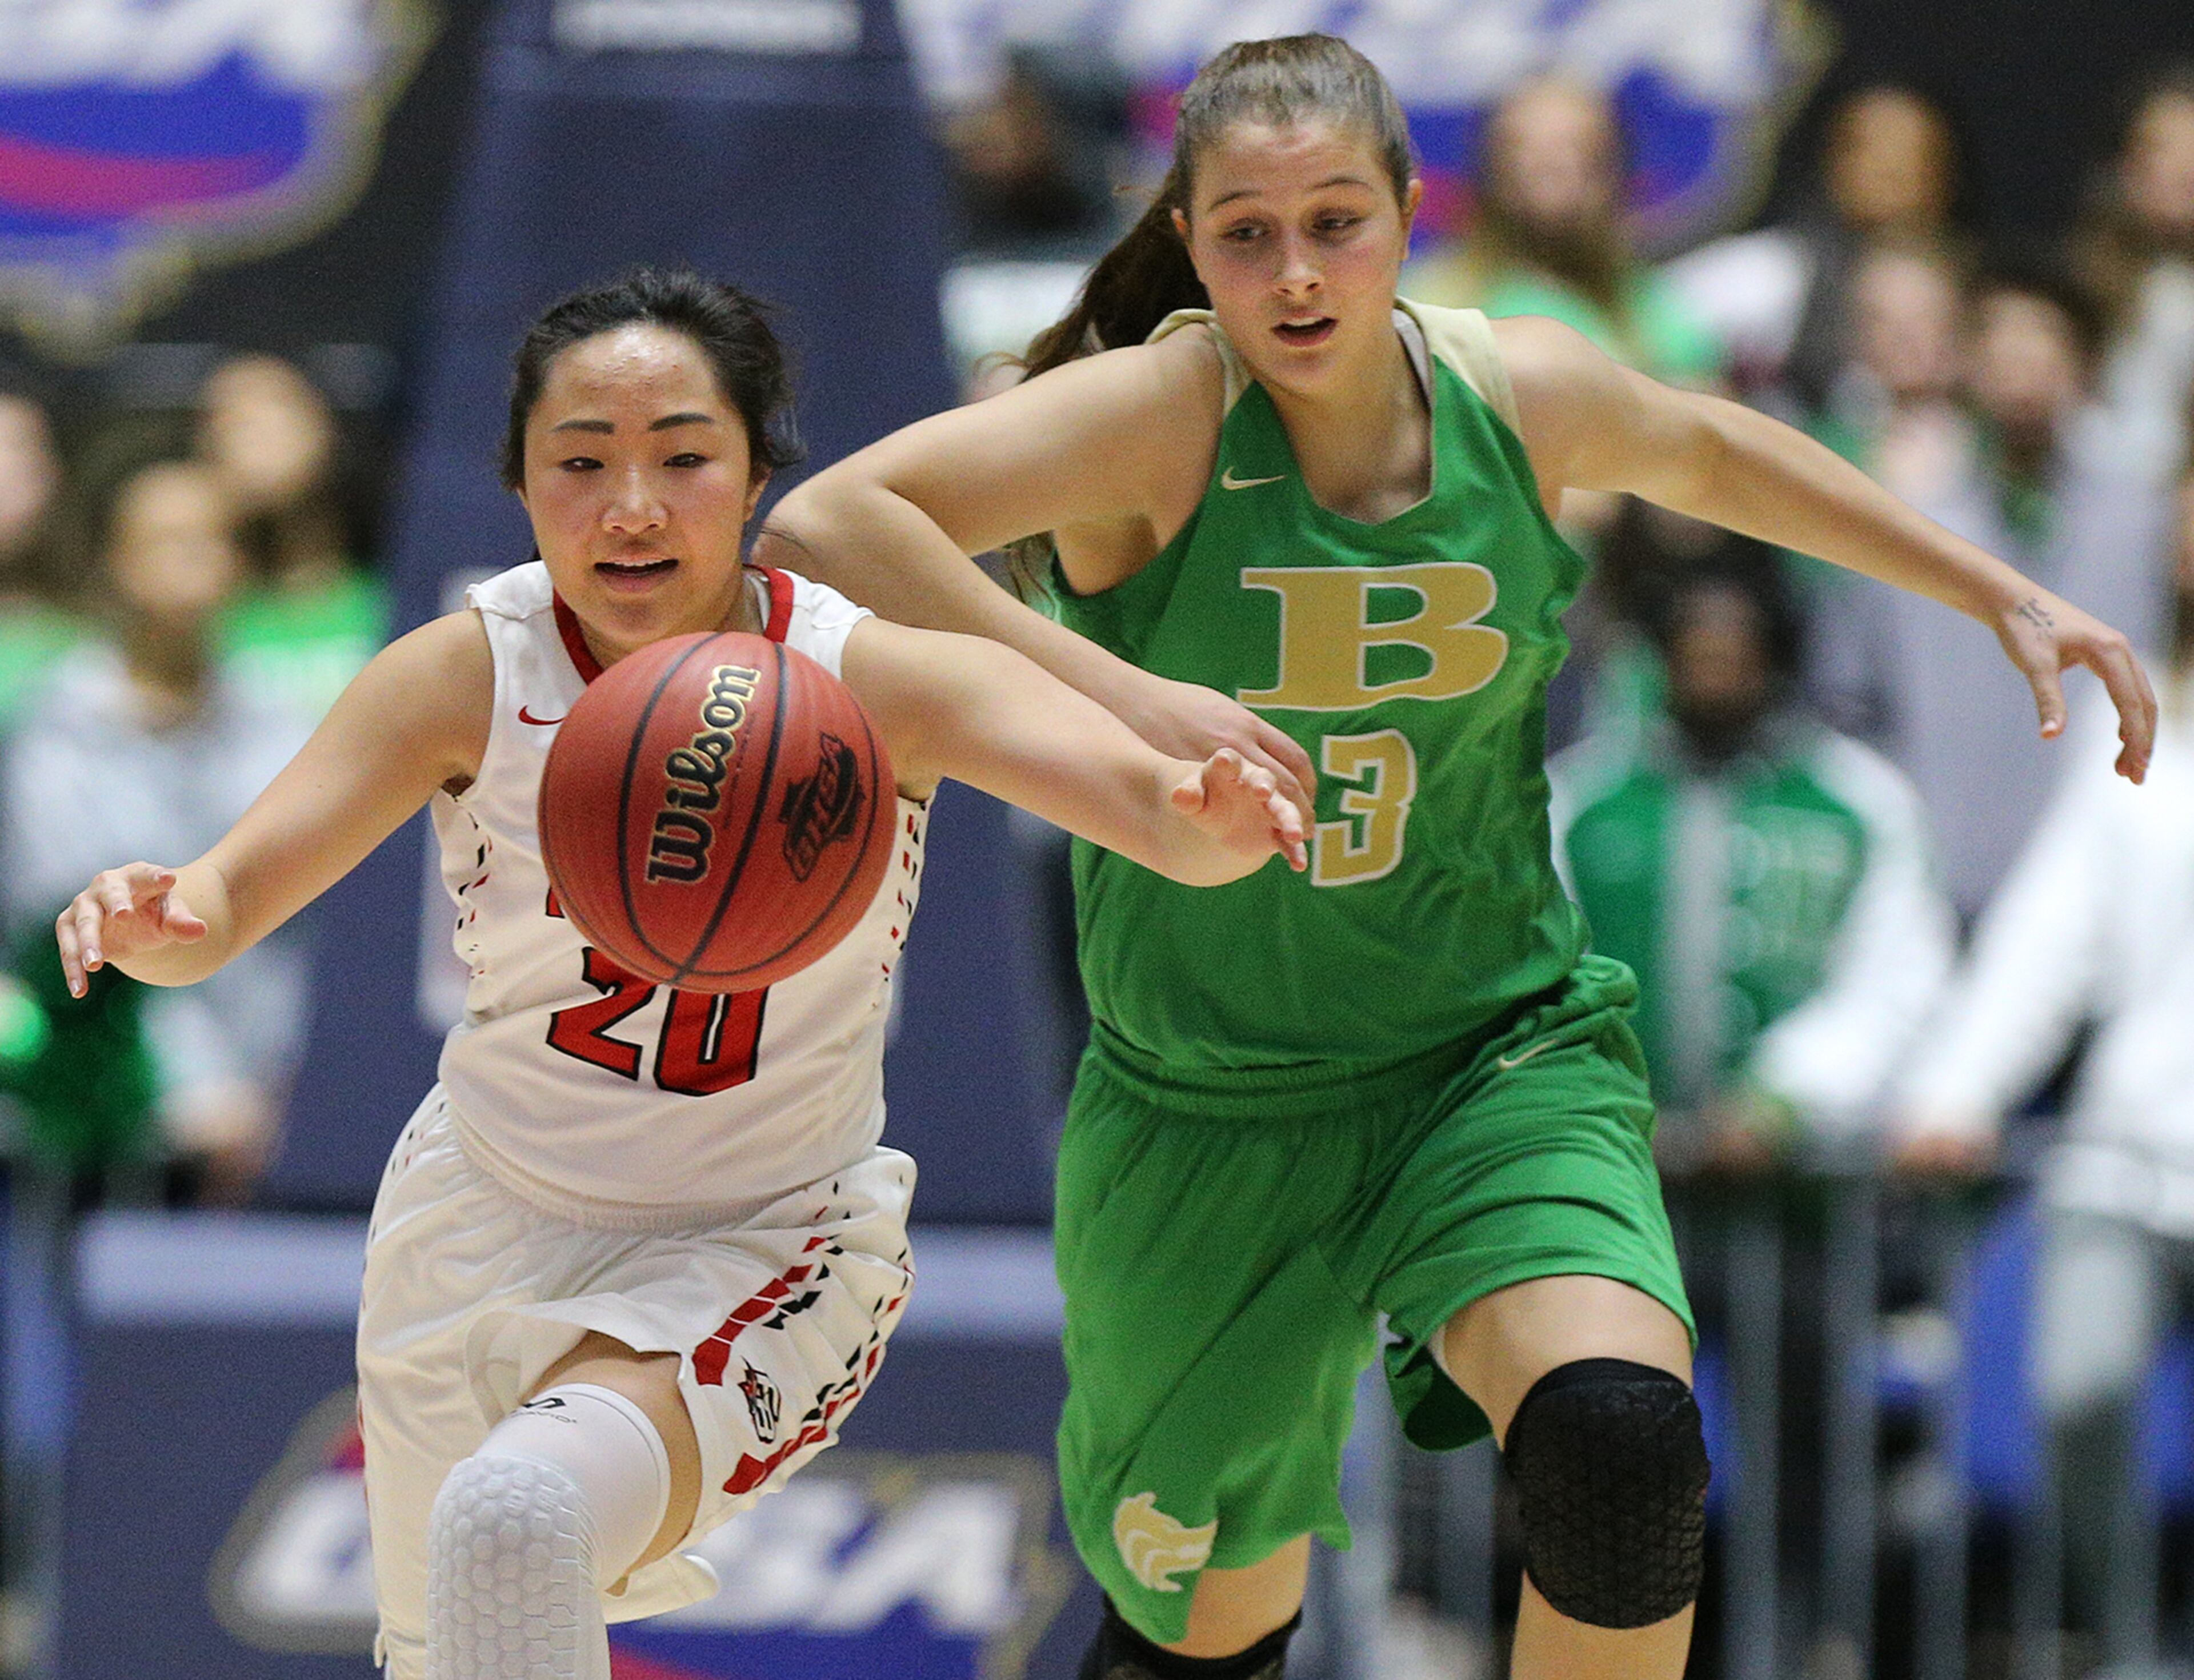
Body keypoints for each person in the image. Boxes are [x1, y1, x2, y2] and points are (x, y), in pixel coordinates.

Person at [756, 35, 2155, 1680]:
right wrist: (1123, 681)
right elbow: (825, 523)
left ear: (1417, 213)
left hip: (1489, 1054)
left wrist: (1992, 582)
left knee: (1626, 1447)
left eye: (1337, 221)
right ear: (1192, 245)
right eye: (1248, 233)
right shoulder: (1160, 411)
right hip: (1214, 1098)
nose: (1296, 272)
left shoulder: (1515, 385)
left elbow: (1714, 453)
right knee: (1206, 1639)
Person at [51, 269, 1307, 1680]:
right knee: (452, 1644)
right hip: (476, 1217)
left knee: (519, 1517)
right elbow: (222, 902)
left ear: (759, 470)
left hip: (763, 1239)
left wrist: (1206, 823)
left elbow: (1150, 810)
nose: (631, 505)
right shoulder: (465, 671)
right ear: (519, 486)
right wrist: (161, 915)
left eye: (683, 458)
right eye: (579, 464)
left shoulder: (865, 678)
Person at [1891, 464, 2194, 1665]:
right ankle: (2135, 1648)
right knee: (2079, 1392)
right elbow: (2042, 945)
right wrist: (1952, 1096)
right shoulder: (2143, 745)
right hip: (2126, 1156)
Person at [1551, 548, 1954, 1166]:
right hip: (1610, 1165)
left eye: (1735, 650)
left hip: (1807, 1184)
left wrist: (1785, 1097)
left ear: (1778, 657)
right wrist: (1600, 1098)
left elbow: (1896, 981)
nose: (1714, 666)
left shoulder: (1861, 804)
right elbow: (1544, 973)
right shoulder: (1581, 800)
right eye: (1696, 649)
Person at [1809, 263, 2177, 919]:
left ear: (2086, 364)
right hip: (1941, 886)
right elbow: (1847, 709)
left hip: (2116, 895)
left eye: (2046, 342)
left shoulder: (2147, 526)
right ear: (1964, 363)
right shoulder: (1910, 532)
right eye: (2000, 344)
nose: (2023, 367)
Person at [4, 441, 309, 1200]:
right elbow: (72, 931)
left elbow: (311, 923)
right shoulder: (54, 729)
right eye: (167, 543)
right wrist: (196, 1089)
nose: (194, 563)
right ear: (116, 562)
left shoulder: (289, 728)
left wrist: (287, 1092)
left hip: (275, 1116)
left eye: (212, 541)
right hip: (95, 1123)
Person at [1664, 83, 1968, 412]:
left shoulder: (1973, 293)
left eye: (1912, 153)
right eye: (1871, 147)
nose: (1890, 169)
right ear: (1835, 162)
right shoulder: (1775, 272)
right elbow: (1648, 327)